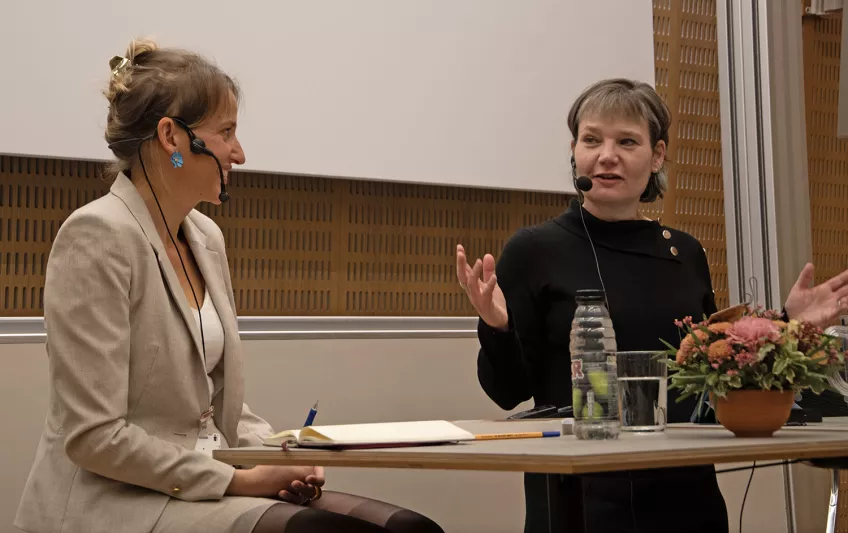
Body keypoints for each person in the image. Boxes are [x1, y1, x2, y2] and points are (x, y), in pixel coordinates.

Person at [14, 39, 444, 533]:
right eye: (226, 133)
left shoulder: (206, 238)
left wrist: (284, 456)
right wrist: (241, 480)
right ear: (171, 137)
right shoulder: (96, 237)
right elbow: (94, 437)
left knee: (409, 528)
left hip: (201, 489)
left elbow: (220, 412)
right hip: (116, 501)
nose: (239, 152)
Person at [456, 78, 848, 533]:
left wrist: (787, 327)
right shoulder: (534, 250)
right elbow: (507, 392)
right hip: (580, 499)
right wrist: (498, 326)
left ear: (657, 155)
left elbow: (714, 374)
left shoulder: (684, 253)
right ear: (574, 151)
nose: (607, 155)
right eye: (592, 139)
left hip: (685, 496)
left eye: (627, 141)